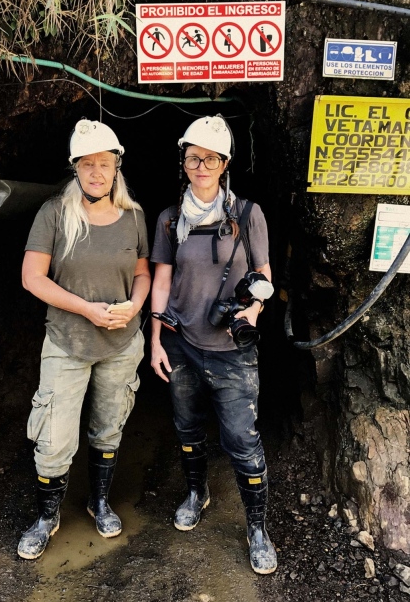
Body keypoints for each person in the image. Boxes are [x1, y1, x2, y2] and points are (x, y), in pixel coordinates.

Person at [150, 114, 277, 575]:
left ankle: (257, 529)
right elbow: (161, 282)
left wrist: (254, 311)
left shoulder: (247, 214)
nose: (200, 166)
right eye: (192, 157)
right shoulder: (168, 219)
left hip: (231, 348)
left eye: (210, 158)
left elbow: (262, 276)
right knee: (187, 429)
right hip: (181, 342)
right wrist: (156, 339)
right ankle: (196, 493)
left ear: (225, 163)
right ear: (183, 162)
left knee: (243, 440)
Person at [18, 119, 151, 560]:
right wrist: (87, 309)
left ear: (117, 168)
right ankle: (46, 517)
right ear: (75, 167)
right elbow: (32, 278)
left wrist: (134, 306)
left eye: (105, 164)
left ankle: (98, 502)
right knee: (55, 438)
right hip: (67, 342)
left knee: (108, 427)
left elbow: (143, 273)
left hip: (121, 343)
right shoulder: (54, 214)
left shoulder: (134, 216)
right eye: (88, 164)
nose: (97, 172)